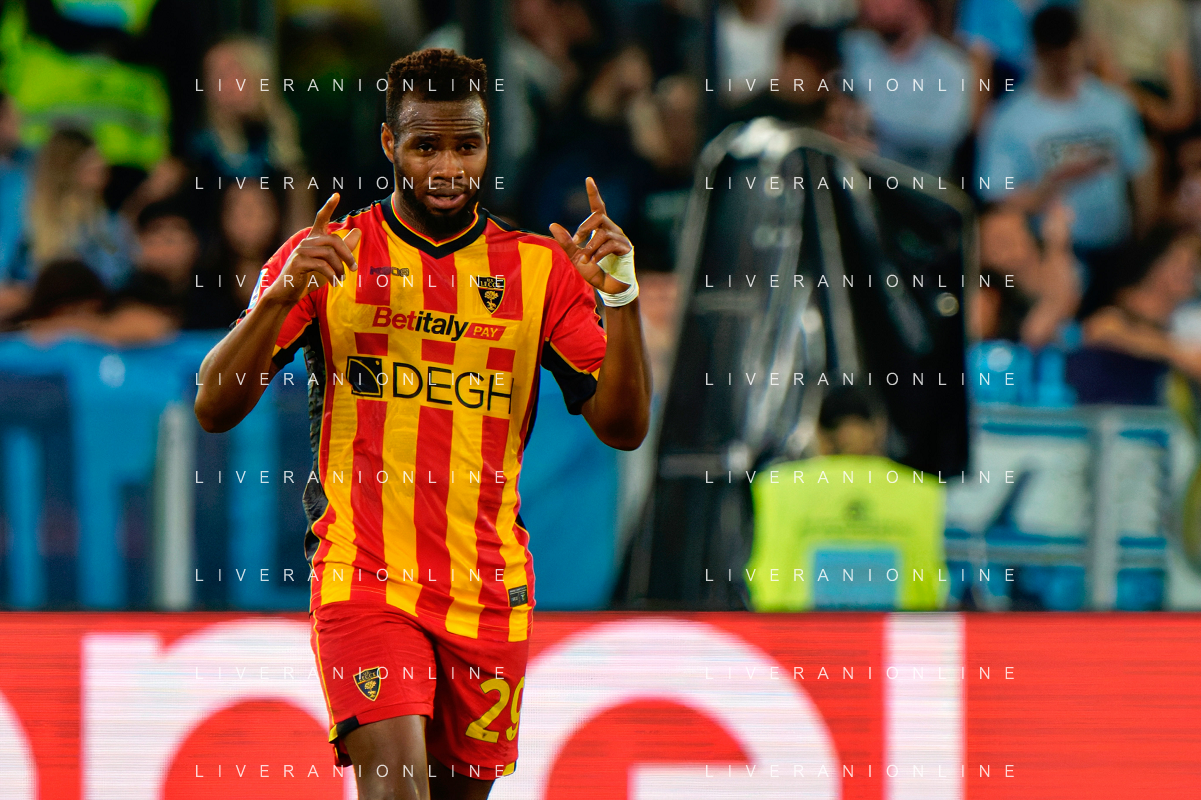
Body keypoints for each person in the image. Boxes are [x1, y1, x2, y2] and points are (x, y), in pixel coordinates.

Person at [193, 48, 651, 799]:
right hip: (365, 575)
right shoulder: (332, 254)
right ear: (389, 143)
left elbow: (624, 427)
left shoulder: (539, 270)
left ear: (488, 144)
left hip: (486, 587)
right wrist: (279, 298)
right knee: (397, 789)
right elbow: (214, 405)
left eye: (465, 146)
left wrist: (622, 300)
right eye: (425, 146)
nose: (447, 167)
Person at [744, 385, 948, 611]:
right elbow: (935, 586)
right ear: (879, 428)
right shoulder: (924, 492)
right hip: (895, 632)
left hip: (792, 632)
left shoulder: (774, 488)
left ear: (818, 432)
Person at [976, 5, 1156, 260]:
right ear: (1038, 52)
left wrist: (1144, 241)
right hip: (1049, 254)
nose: (1063, 64)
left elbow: (1141, 172)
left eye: (1069, 53)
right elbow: (996, 197)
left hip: (1117, 248)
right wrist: (1046, 190)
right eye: (1055, 56)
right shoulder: (1009, 119)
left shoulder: (1113, 105)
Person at [1067, 225, 1201, 404]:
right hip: (1096, 404)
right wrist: (1174, 352)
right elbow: (1097, 329)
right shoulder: (1119, 302)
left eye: (1193, 267)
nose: (1186, 273)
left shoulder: (1187, 321)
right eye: (1179, 262)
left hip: (1150, 412)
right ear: (1157, 261)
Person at [840, 0, 973, 176]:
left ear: (919, 6)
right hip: (851, 174)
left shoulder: (951, 68)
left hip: (917, 184)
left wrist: (874, 120)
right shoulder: (855, 48)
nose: (870, 4)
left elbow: (945, 134)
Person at [25, 128, 139, 289]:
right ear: (65, 167)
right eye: (90, 161)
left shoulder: (112, 223)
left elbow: (121, 275)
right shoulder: (29, 221)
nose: (101, 165)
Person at [973, 199, 1081, 349]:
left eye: (1010, 234)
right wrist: (1057, 247)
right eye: (997, 241)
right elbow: (1036, 333)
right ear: (983, 259)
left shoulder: (1067, 249)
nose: (1008, 245)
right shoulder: (998, 303)